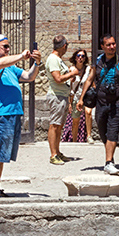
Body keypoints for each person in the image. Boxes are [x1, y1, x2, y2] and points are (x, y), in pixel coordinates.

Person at [0, 33, 41, 198]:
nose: (8, 49)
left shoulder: (10, 68)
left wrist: (37, 63)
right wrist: (21, 56)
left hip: (13, 114)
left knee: (2, 155)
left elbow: (29, 77)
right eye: (5, 46)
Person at [78, 34, 119, 176]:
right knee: (103, 130)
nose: (112, 47)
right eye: (108, 45)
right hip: (101, 102)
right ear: (102, 47)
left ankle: (108, 163)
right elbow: (89, 79)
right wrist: (81, 98)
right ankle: (110, 157)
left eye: (113, 44)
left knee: (113, 130)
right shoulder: (98, 61)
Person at [44, 35, 77, 164]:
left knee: (59, 126)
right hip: (56, 96)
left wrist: (69, 76)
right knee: (54, 125)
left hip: (62, 95)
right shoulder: (53, 59)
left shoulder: (58, 59)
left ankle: (57, 152)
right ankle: (53, 155)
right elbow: (57, 79)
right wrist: (72, 74)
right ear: (64, 46)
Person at [62, 49, 92, 143]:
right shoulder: (71, 70)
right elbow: (68, 88)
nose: (80, 58)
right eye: (78, 56)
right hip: (75, 97)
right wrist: (69, 103)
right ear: (75, 57)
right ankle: (74, 141)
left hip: (86, 96)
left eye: (82, 56)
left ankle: (89, 136)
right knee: (75, 121)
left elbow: (91, 82)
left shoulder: (88, 69)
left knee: (88, 112)